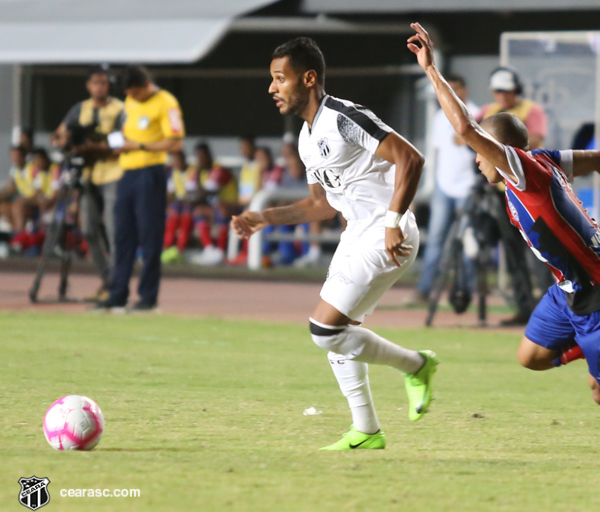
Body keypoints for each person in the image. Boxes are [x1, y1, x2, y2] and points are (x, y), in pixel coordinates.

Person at [408, 22, 600, 458]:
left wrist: (431, 70)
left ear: (501, 152)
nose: (475, 158)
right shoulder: (541, 162)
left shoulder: (525, 173)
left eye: (483, 151)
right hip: (571, 289)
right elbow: (599, 158)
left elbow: (466, 129)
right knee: (530, 357)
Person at [232, 37, 438, 450]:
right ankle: (366, 431)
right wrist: (265, 218)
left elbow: (411, 158)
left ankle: (416, 365)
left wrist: (394, 220)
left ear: (308, 78)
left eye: (279, 78)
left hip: (386, 232)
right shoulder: (307, 139)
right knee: (338, 337)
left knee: (324, 329)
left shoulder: (345, 117)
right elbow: (320, 205)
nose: (272, 88)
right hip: (356, 235)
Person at [93, 65, 184, 313]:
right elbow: (127, 131)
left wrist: (141, 146)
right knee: (123, 236)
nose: (131, 98)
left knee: (149, 237)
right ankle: (117, 294)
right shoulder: (130, 103)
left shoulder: (167, 102)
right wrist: (119, 143)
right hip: (127, 173)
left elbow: (176, 142)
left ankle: (147, 297)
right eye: (128, 94)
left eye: (135, 93)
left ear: (146, 85)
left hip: (149, 173)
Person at [478, 67, 552, 326]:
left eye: (507, 90)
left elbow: (536, 139)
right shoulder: (487, 112)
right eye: (498, 90)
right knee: (512, 254)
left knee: (540, 253)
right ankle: (525, 309)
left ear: (516, 90)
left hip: (526, 191)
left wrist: (495, 141)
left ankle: (549, 309)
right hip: (500, 194)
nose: (502, 95)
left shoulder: (531, 111)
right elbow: (467, 135)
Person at [52, 67, 125, 302]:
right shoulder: (79, 110)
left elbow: (119, 146)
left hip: (113, 173)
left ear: (109, 86)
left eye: (104, 83)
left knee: (113, 229)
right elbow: (58, 135)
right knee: (88, 229)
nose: (100, 87)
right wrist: (62, 140)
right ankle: (108, 279)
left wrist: (92, 147)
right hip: (86, 176)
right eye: (95, 83)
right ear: (88, 85)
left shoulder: (119, 109)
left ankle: (118, 286)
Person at [412, 74, 480, 303]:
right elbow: (437, 152)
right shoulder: (440, 117)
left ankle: (467, 291)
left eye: (456, 89)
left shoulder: (477, 113)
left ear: (465, 90)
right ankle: (424, 290)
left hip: (468, 187)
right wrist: (430, 183)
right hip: (444, 186)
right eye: (448, 90)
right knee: (436, 240)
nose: (452, 94)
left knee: (468, 240)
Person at [189, 142, 238, 266]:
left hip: (232, 205)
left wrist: (198, 177)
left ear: (209, 156)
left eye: (202, 156)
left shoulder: (218, 170)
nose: (200, 160)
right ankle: (210, 250)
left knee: (219, 210)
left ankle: (220, 251)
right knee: (198, 211)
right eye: (198, 157)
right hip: (215, 207)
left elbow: (205, 193)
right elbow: (189, 193)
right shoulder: (198, 172)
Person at [162, 151, 197, 264]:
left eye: (177, 161)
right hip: (178, 205)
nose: (176, 163)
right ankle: (167, 248)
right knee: (173, 216)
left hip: (191, 205)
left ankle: (180, 250)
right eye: (174, 161)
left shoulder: (191, 172)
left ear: (183, 160)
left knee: (185, 217)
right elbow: (170, 193)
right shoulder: (173, 173)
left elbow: (191, 194)